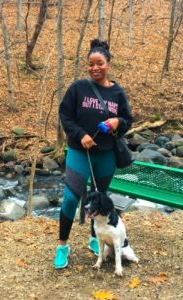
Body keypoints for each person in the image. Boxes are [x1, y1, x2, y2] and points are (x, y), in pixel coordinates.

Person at [54, 39, 133, 269]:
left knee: (99, 197)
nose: (94, 68)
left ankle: (94, 238)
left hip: (106, 155)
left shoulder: (118, 92)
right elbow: (65, 115)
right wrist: (80, 135)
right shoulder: (78, 88)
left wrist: (117, 121)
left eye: (99, 63)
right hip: (80, 152)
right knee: (70, 198)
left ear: (108, 64)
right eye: (91, 64)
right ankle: (62, 246)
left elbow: (128, 121)